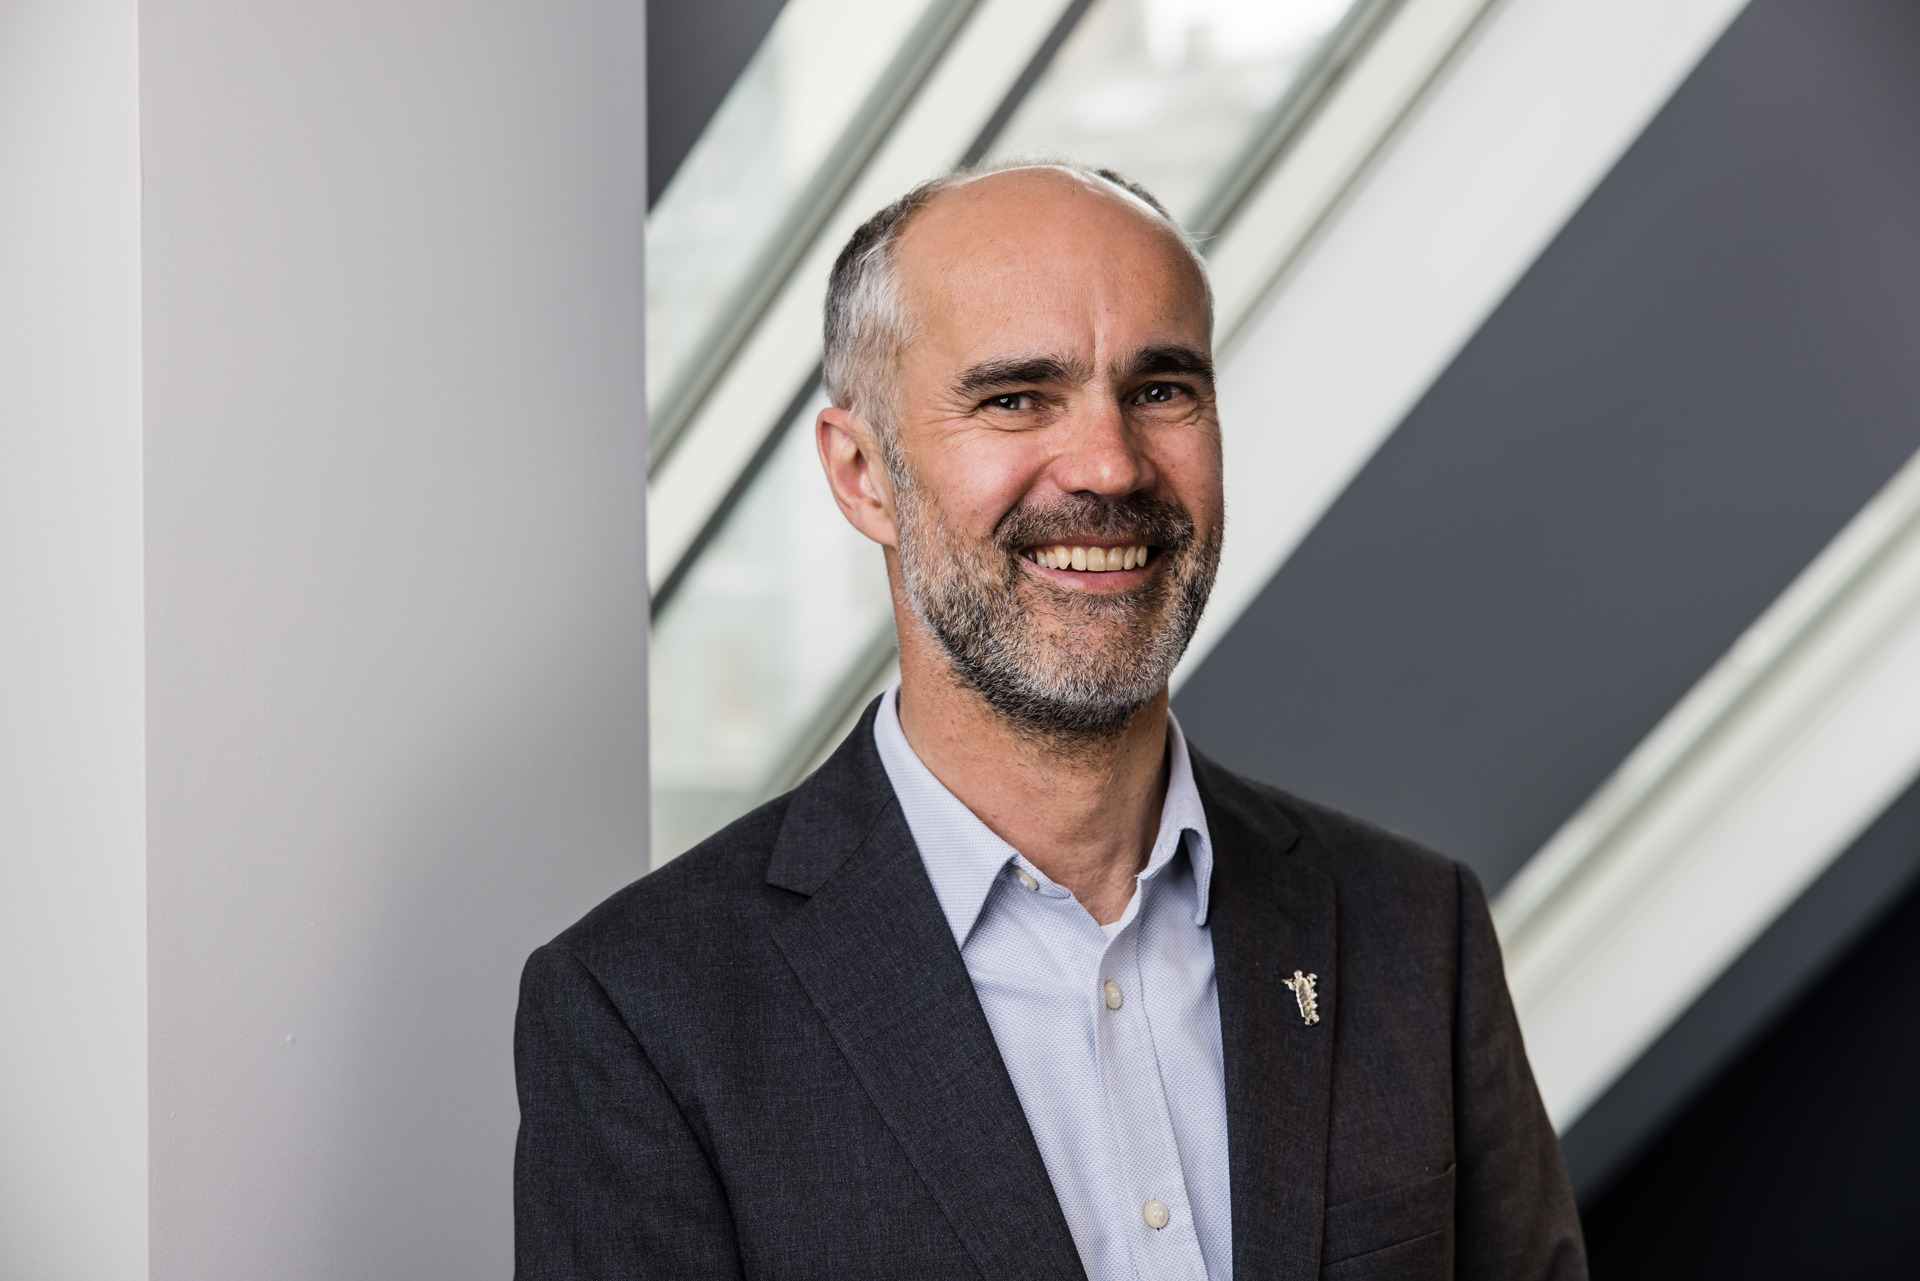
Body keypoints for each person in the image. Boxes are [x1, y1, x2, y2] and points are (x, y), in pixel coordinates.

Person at [513, 163, 1586, 1280]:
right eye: (1016, 398)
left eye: (1162, 389)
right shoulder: (644, 1014)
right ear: (862, 473)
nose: (1111, 465)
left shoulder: (1414, 930)